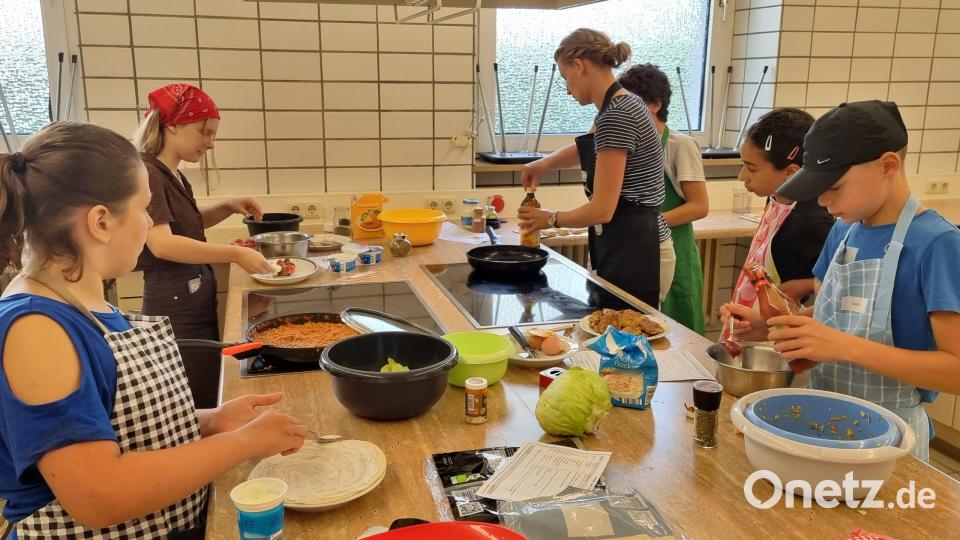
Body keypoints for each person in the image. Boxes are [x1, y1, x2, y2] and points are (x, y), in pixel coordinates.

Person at [0, 121, 307, 538]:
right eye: (144, 208)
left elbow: (112, 431)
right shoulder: (36, 327)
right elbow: (98, 492)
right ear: (101, 222)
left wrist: (206, 422)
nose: (149, 223)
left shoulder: (83, 301)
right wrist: (245, 443)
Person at [723, 100, 960, 462]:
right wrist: (772, 327)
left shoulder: (936, 244)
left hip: (893, 443)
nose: (823, 200)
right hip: (824, 423)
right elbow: (833, 315)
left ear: (888, 166)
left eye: (834, 186)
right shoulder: (844, 231)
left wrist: (843, 347)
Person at [133, 83, 273, 408]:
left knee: (206, 389)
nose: (210, 143)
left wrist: (227, 206)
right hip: (174, 305)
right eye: (204, 132)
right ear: (173, 125)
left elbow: (188, 226)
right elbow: (164, 245)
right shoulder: (148, 173)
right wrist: (236, 253)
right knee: (189, 398)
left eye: (213, 135)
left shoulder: (172, 174)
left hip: (193, 298)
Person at [517, 29, 673, 308]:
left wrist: (549, 219)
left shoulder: (618, 114)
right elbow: (588, 147)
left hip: (639, 248)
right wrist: (543, 164)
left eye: (565, 78)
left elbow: (602, 209)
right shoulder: (621, 104)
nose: (566, 89)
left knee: (628, 340)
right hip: (626, 241)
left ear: (579, 66)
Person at [719, 108, 835, 341]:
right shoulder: (776, 199)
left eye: (751, 168)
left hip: (777, 341)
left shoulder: (810, 223)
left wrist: (806, 284)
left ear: (791, 173)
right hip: (751, 326)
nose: (742, 176)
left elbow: (838, 285)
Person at [620, 63, 709, 334]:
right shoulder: (626, 145)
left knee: (677, 331)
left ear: (656, 104)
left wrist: (648, 223)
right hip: (636, 249)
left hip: (675, 251)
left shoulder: (680, 146)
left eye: (632, 104)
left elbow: (699, 206)